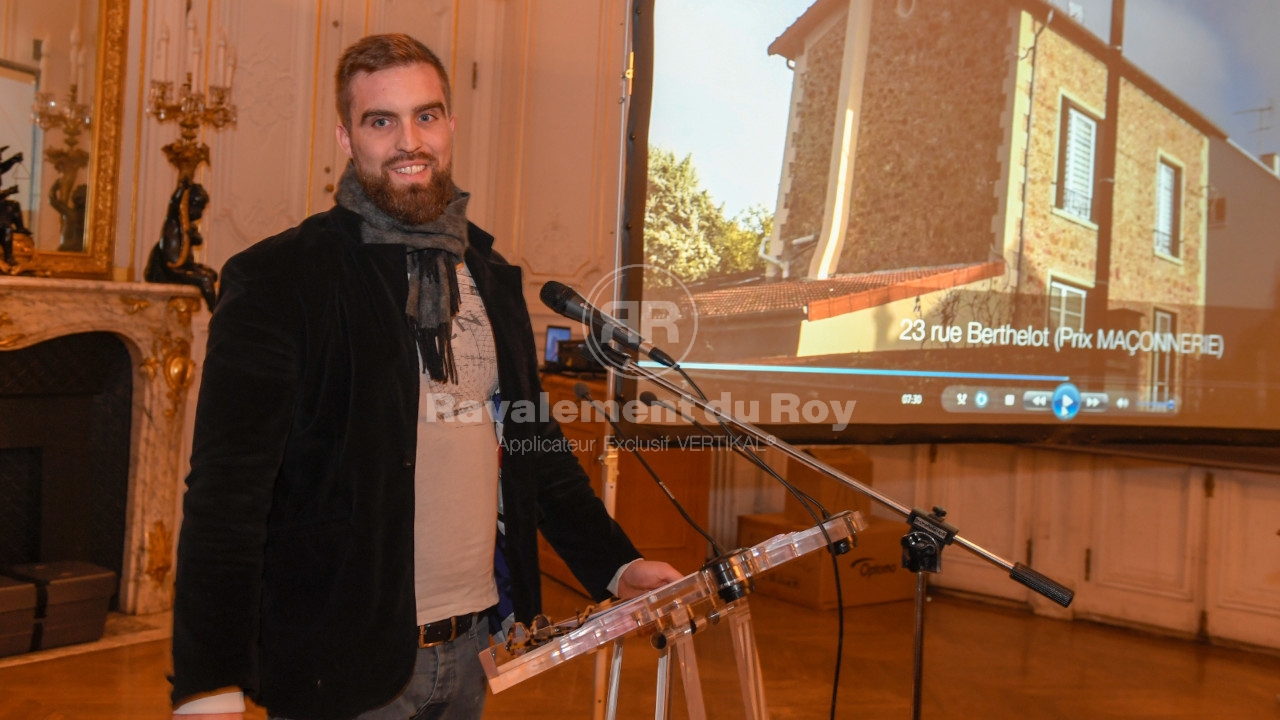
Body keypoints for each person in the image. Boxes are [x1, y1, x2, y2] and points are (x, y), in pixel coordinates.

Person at [169, 34, 682, 720]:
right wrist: (209, 681)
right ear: (347, 138)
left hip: (472, 648)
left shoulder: (490, 275)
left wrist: (618, 565)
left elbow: (534, 448)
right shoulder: (281, 278)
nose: (409, 141)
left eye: (426, 116)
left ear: (450, 126)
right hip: (340, 661)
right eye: (381, 121)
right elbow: (226, 498)